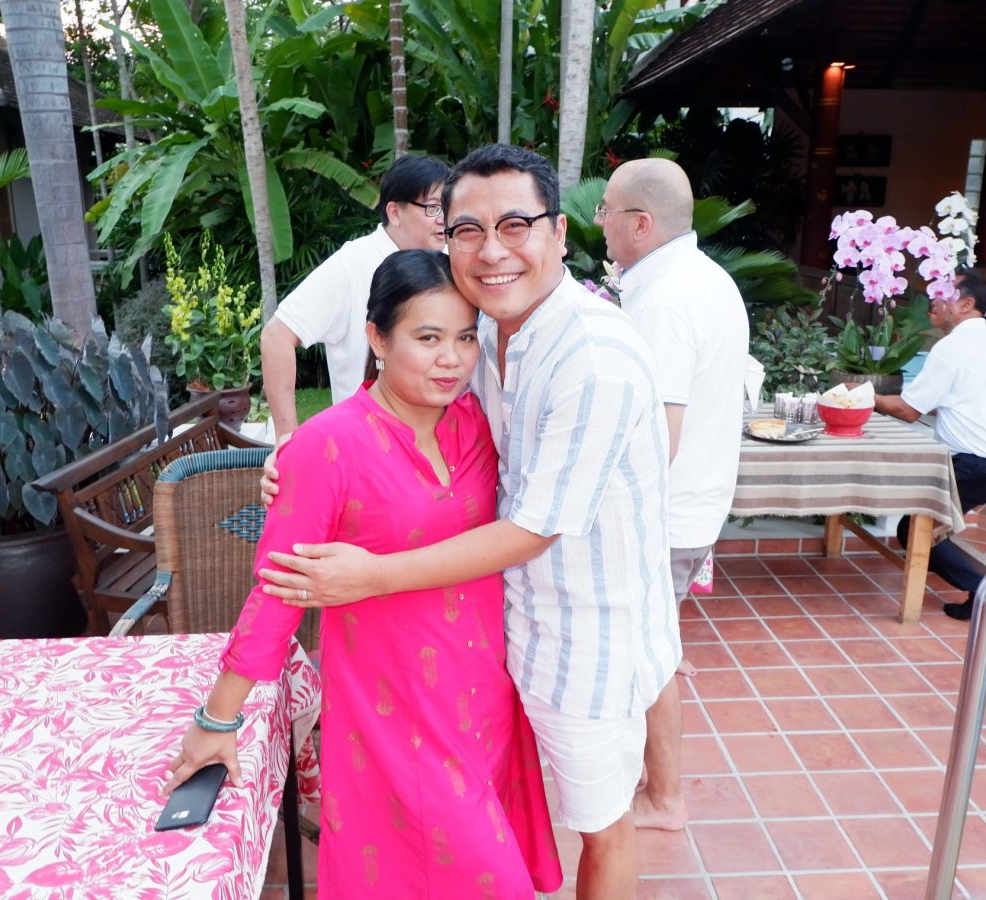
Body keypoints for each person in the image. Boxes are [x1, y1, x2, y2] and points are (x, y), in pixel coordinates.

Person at [259, 145, 681, 900]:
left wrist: (371, 576)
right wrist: (303, 457)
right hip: (503, 637)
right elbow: (409, 420)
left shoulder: (594, 358)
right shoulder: (485, 334)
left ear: (558, 233)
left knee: (602, 824)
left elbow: (534, 529)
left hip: (587, 638)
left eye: (515, 225)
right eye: (468, 230)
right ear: (443, 236)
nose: (492, 250)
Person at [162, 250, 562, 899]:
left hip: (484, 690)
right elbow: (278, 591)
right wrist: (218, 718)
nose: (451, 359)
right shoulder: (328, 445)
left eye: (465, 338)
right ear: (376, 337)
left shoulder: (477, 424)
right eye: (427, 338)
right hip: (395, 705)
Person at [596, 157, 749, 831]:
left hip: (663, 515)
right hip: (691, 506)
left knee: (649, 658)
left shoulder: (664, 298)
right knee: (652, 649)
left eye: (606, 210)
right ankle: (650, 780)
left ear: (640, 223)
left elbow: (657, 436)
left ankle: (663, 796)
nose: (599, 222)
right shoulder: (702, 277)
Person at [874, 269, 986, 620]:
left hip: (985, 464)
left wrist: (861, 395)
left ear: (966, 304)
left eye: (941, 292)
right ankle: (980, 588)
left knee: (915, 529)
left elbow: (908, 410)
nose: (931, 300)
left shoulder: (953, 346)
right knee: (932, 526)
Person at [261, 154, 450, 439]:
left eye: (447, 206)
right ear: (395, 212)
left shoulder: (450, 259)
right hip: (365, 440)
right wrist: (286, 437)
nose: (443, 219)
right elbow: (277, 336)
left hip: (438, 440)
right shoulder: (353, 263)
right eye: (433, 207)